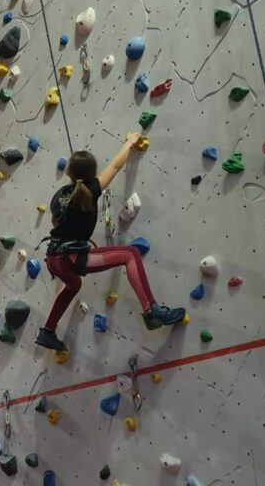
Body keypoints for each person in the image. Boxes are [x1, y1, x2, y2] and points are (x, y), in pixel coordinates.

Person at [35, 133, 186, 352]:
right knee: (130, 255)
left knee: (73, 285)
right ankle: (151, 311)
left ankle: (47, 331)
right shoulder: (92, 189)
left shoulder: (59, 195)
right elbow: (115, 167)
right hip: (71, 258)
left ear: (68, 172)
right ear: (92, 173)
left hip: (53, 258)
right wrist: (130, 142)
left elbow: (55, 221)